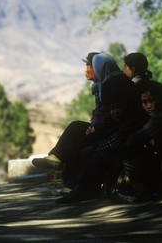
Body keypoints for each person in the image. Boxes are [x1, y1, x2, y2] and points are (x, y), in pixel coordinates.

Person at [55, 53, 147, 203]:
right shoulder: (112, 83)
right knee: (84, 140)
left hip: (125, 132)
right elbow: (106, 113)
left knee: (93, 149)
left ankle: (82, 188)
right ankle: (78, 184)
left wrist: (95, 130)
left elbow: (113, 118)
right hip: (118, 130)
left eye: (91, 67)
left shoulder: (114, 84)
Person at [32, 52, 100, 182]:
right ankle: (62, 168)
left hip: (104, 130)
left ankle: (59, 162)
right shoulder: (97, 87)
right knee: (75, 135)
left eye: (88, 66)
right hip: (98, 127)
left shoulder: (105, 87)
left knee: (75, 128)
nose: (85, 70)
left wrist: (96, 126)